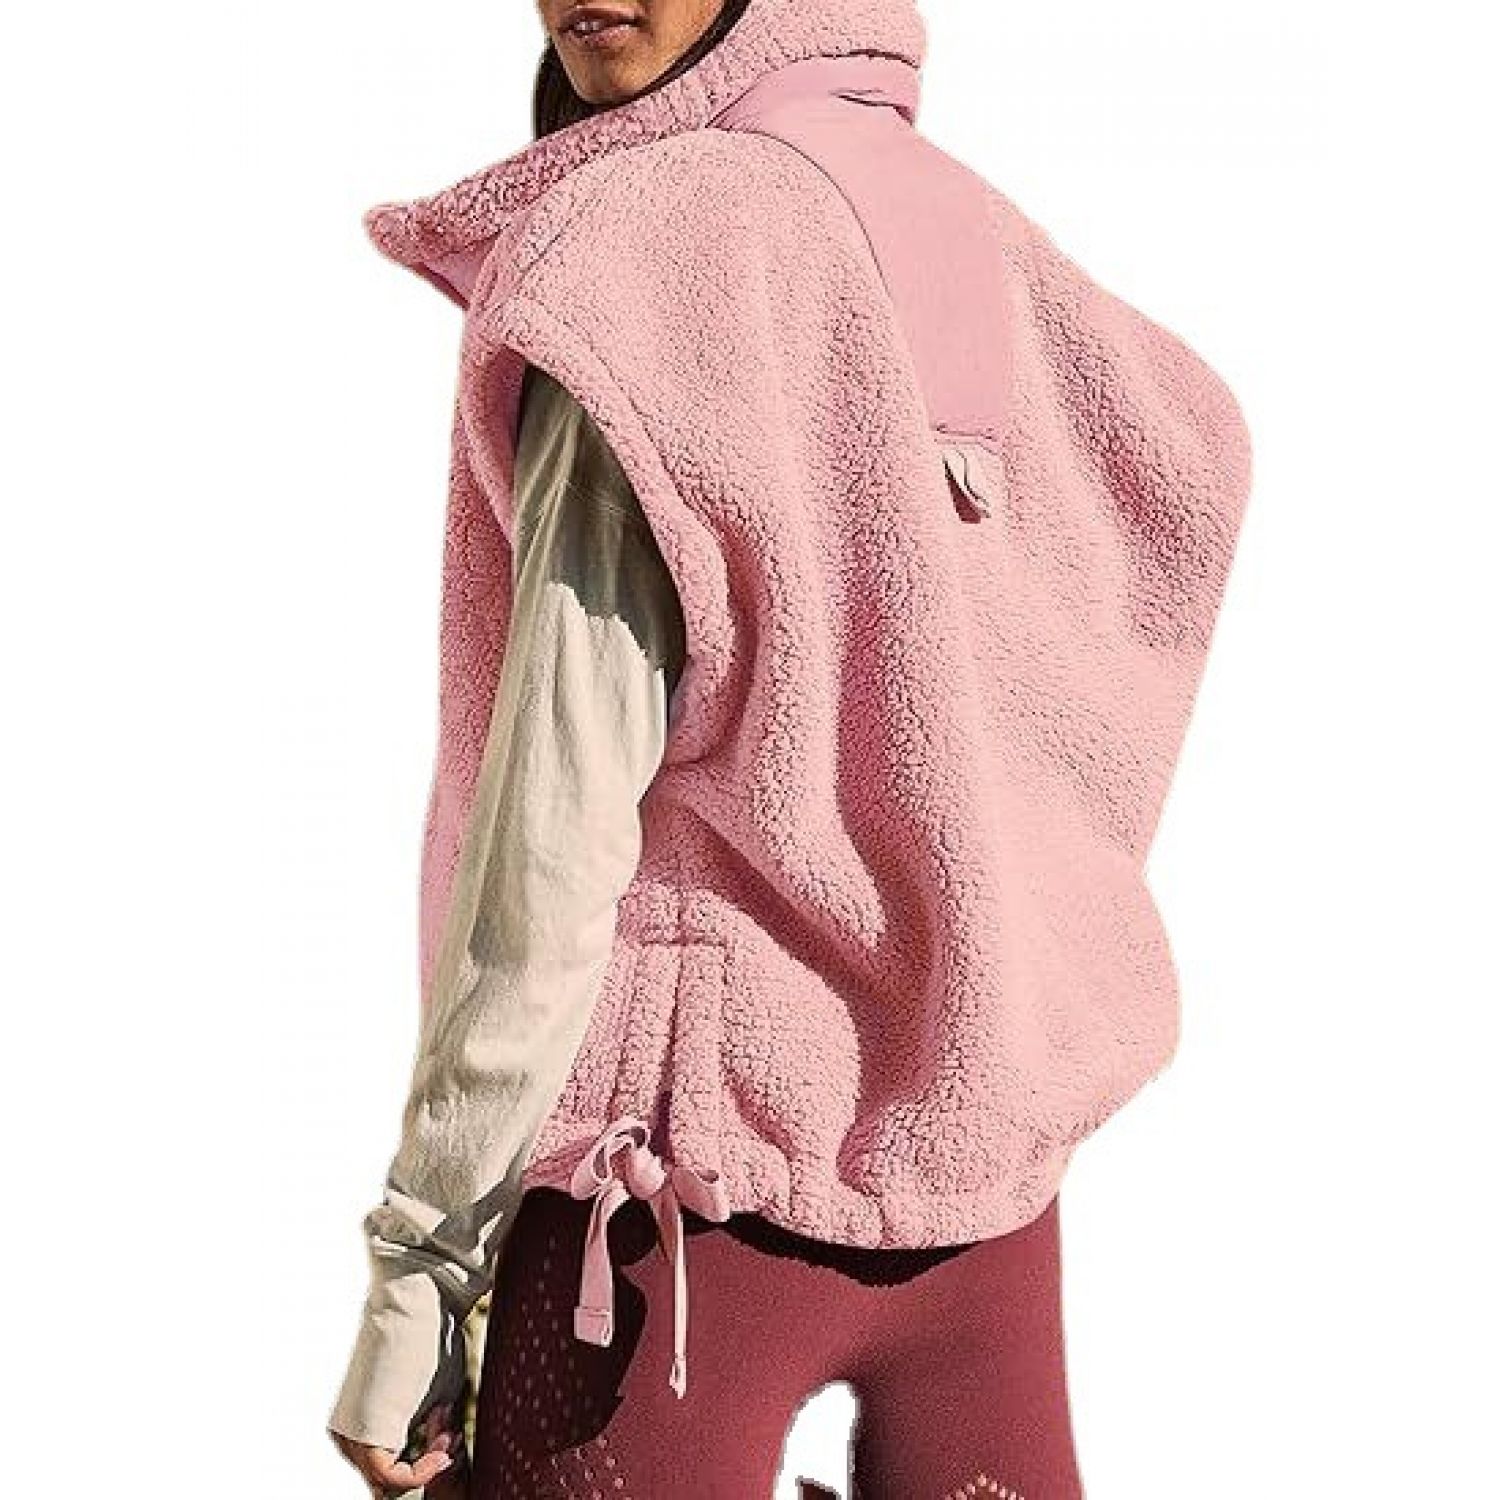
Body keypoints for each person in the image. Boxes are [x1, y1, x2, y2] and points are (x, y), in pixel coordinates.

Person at [328, 0, 1254, 1496]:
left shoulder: (634, 252)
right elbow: (1182, 487)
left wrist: (420, 1273)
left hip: (674, 1221)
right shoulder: (997, 249)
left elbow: (551, 839)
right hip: (983, 1225)